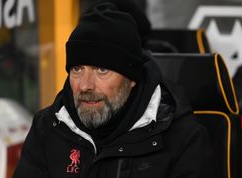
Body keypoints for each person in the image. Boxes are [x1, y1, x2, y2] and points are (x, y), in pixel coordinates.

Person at [13, 2, 214, 178]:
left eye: (102, 70)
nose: (85, 85)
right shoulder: (48, 128)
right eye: (77, 69)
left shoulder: (182, 139)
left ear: (131, 78)